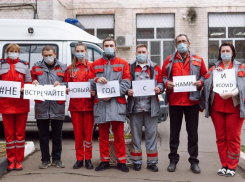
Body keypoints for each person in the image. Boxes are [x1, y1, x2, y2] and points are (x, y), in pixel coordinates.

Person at [162, 34, 207, 173]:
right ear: (176, 45)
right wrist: (166, 83)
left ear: (189, 43)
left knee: (192, 134)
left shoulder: (198, 59)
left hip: (192, 102)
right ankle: (173, 161)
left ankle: (194, 161)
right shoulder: (169, 60)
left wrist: (201, 82)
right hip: (175, 102)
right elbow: (163, 76)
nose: (182, 44)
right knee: (174, 134)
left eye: (184, 41)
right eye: (179, 42)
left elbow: (205, 75)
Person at [202, 42, 245, 177]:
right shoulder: (214, 68)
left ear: (232, 53)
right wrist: (215, 76)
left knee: (233, 138)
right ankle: (224, 165)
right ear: (219, 53)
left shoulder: (241, 67)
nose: (225, 53)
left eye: (228, 50)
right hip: (217, 108)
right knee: (220, 138)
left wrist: (232, 94)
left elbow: (244, 87)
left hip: (235, 108)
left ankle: (232, 166)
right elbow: (205, 83)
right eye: (223, 51)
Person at [89, 37, 131, 172]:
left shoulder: (123, 63)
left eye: (111, 45)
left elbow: (126, 83)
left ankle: (122, 161)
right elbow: (89, 81)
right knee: (102, 136)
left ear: (115, 47)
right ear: (103, 47)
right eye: (106, 45)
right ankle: (104, 160)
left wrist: (111, 94)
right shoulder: (95, 64)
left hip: (116, 104)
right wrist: (96, 79)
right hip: (101, 105)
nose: (108, 47)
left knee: (119, 135)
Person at [127, 44, 163, 172]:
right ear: (135, 54)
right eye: (139, 52)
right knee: (135, 137)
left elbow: (161, 82)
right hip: (135, 108)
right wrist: (127, 91)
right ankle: (136, 161)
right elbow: (125, 82)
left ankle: (152, 162)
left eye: (143, 51)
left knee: (151, 136)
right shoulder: (129, 67)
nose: (141, 54)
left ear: (148, 53)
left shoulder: (155, 67)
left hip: (150, 108)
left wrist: (159, 88)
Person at [31, 45, 67, 169]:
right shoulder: (36, 66)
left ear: (55, 54)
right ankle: (45, 160)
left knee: (57, 135)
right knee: (43, 135)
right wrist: (33, 82)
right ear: (42, 55)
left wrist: (61, 84)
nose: (48, 57)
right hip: (42, 106)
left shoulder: (63, 67)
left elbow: (68, 83)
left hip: (57, 106)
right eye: (45, 55)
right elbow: (30, 80)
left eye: (50, 55)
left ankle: (57, 159)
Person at [0, 43, 32, 171]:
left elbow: (29, 82)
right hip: (6, 104)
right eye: (11, 51)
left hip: (21, 105)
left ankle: (19, 161)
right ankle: (11, 161)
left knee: (19, 135)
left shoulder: (25, 66)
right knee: (9, 136)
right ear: (7, 52)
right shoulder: (1, 65)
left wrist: (26, 87)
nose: (14, 53)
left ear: (19, 52)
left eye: (16, 51)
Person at [64, 42, 94, 169]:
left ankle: (88, 159)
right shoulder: (70, 68)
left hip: (89, 106)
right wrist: (65, 89)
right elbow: (66, 84)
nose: (80, 52)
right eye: (78, 50)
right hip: (75, 106)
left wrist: (94, 91)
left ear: (86, 52)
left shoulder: (92, 66)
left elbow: (96, 84)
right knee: (78, 134)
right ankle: (79, 159)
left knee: (88, 134)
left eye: (82, 50)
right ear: (75, 52)